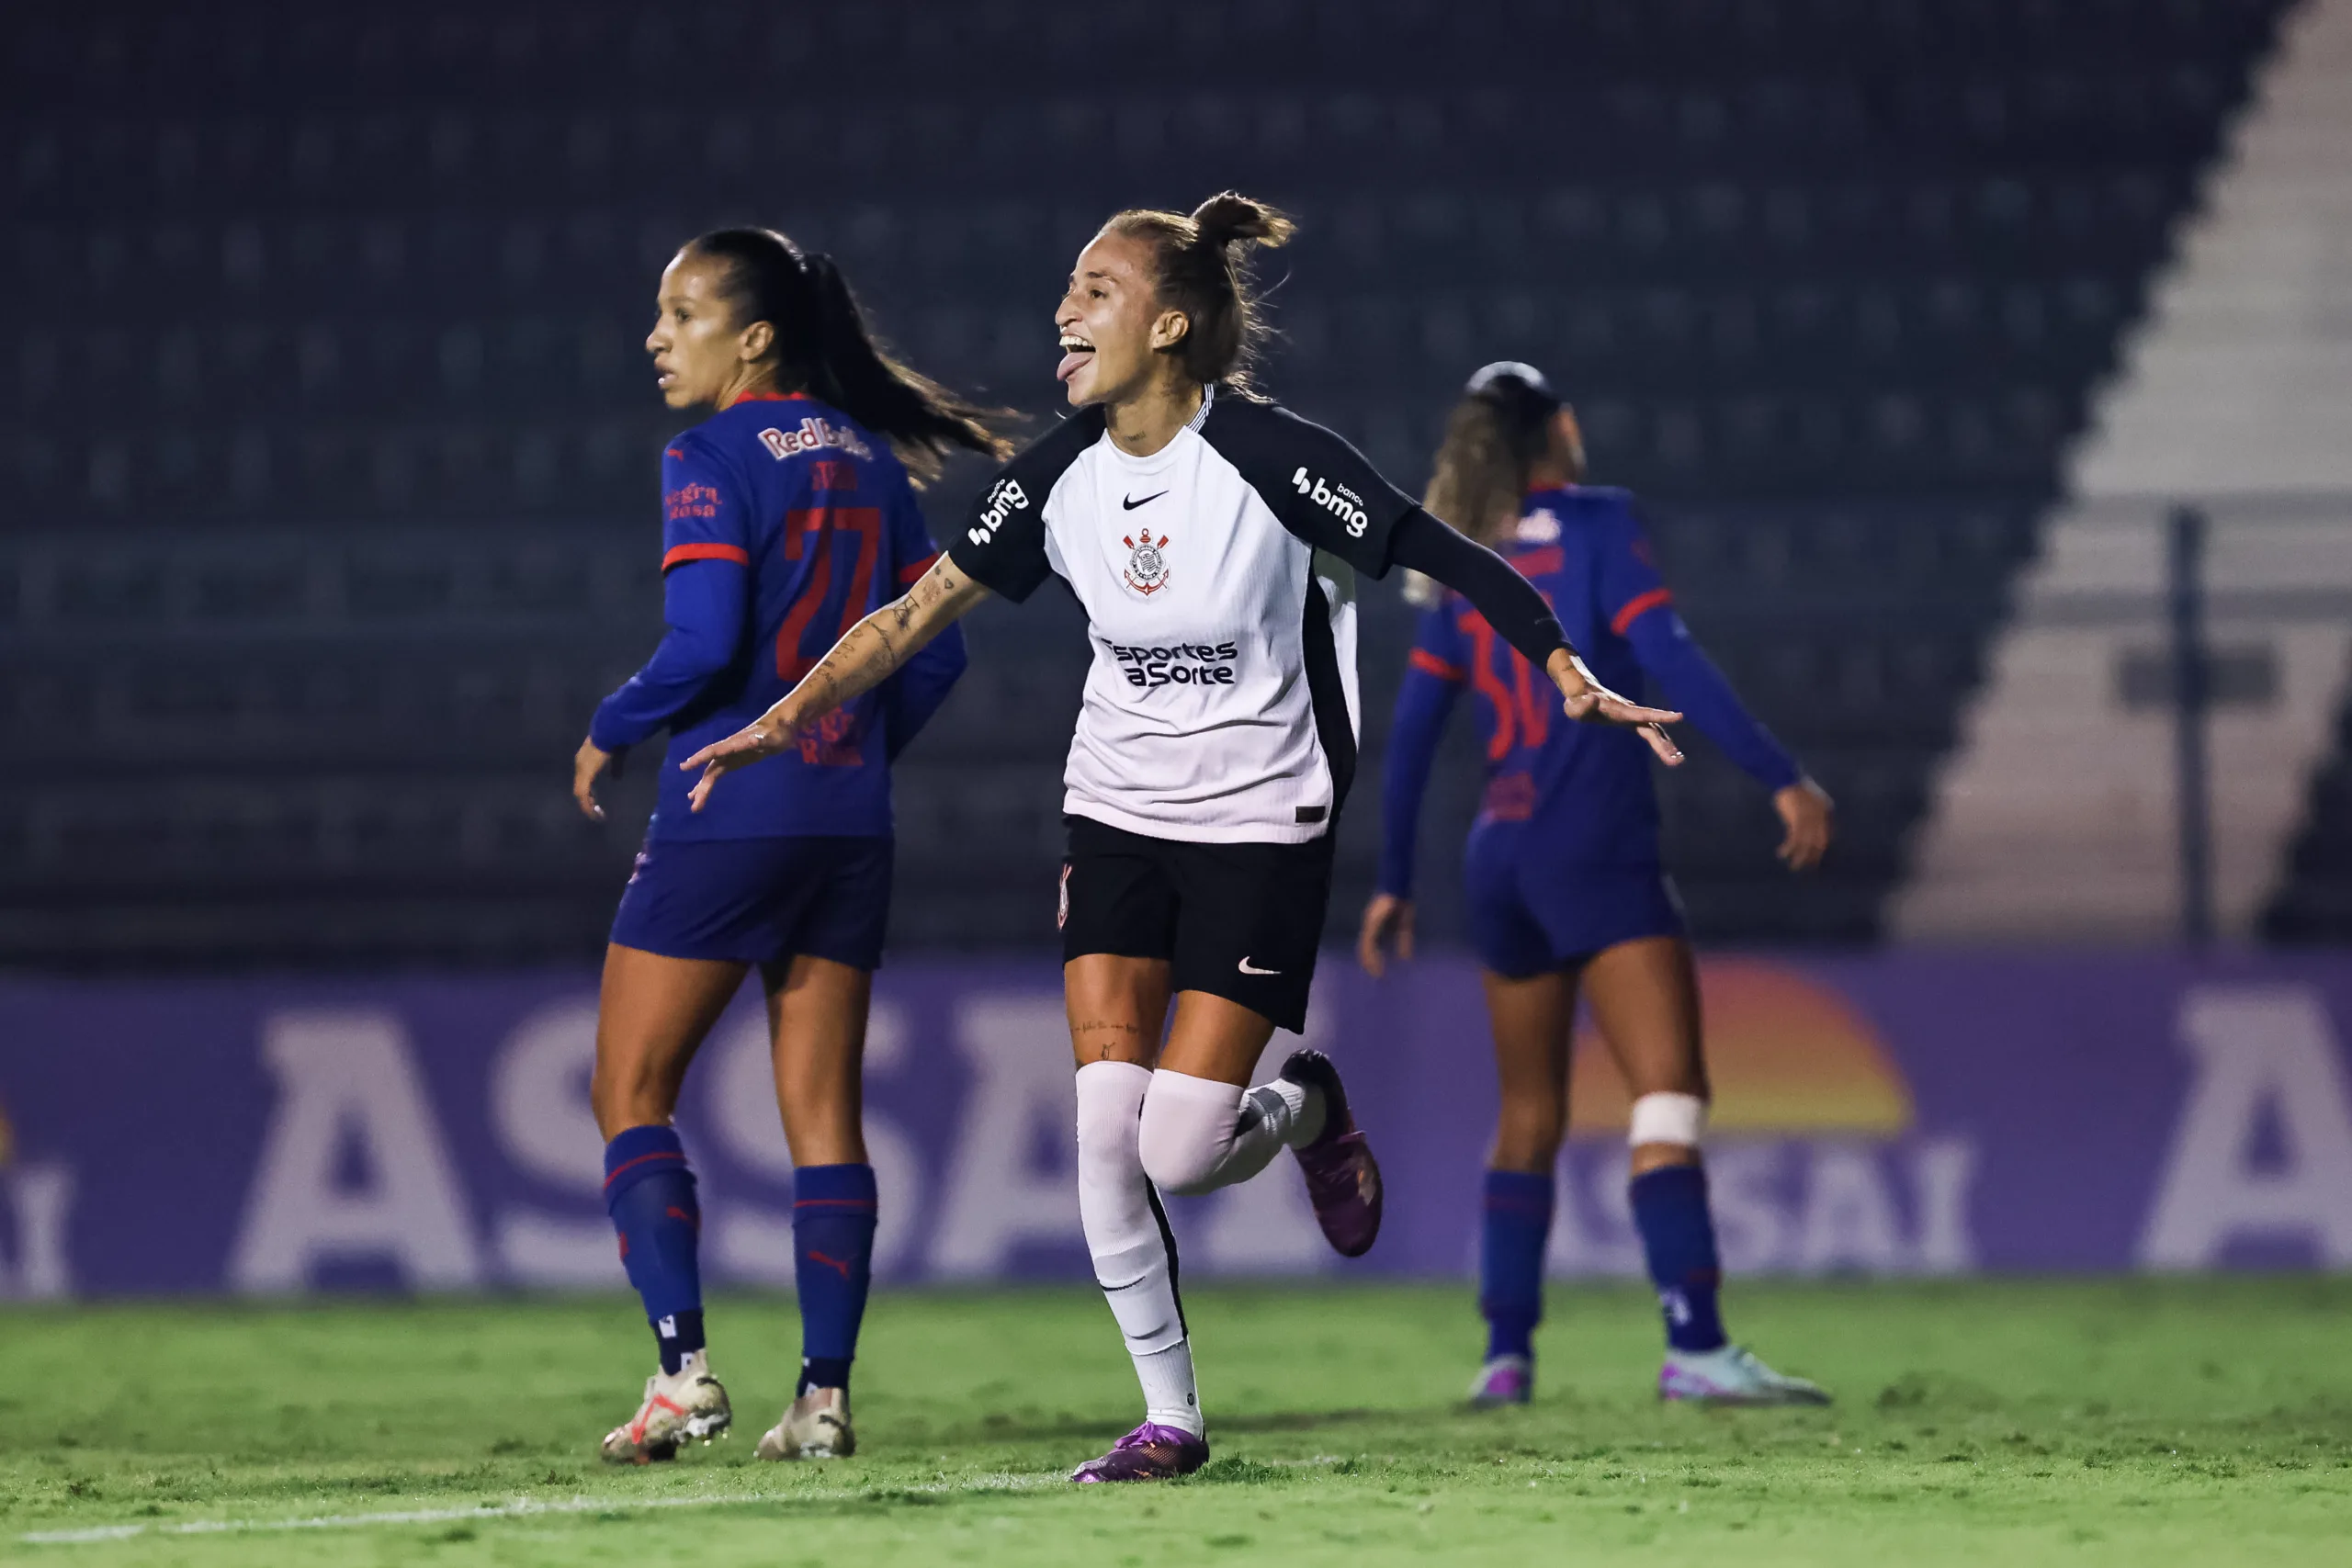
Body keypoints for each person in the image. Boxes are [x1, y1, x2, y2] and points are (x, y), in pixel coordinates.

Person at [679, 196, 1684, 1482]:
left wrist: (1562, 661)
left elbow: (1444, 549)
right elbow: (912, 612)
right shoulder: (1058, 477)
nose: (1063, 308)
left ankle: (1307, 1100)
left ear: (1167, 324)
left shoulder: (1271, 457)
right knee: (1105, 1129)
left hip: (1263, 819)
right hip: (1116, 814)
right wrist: (786, 714)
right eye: (1068, 287)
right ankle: (1172, 1418)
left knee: (1181, 1146)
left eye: (1094, 289)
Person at [572, 227, 1009, 1465]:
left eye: (684, 312)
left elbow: (706, 642)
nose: (660, 336)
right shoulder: (871, 462)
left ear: (754, 336)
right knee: (824, 1112)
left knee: (629, 1089)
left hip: (729, 811)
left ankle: (682, 1373)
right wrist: (858, 752)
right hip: (847, 821)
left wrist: (612, 725)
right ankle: (821, 1396)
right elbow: (943, 647)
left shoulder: (706, 453)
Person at [1358, 361, 1836, 1408]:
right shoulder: (1602, 522)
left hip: (1500, 861)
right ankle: (1697, 1346)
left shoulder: (1464, 554)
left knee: (1527, 1114)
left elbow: (1413, 737)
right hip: (1596, 846)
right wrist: (1778, 775)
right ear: (1560, 430)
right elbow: (1667, 650)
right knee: (1665, 1094)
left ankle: (1504, 1358)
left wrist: (1393, 879)